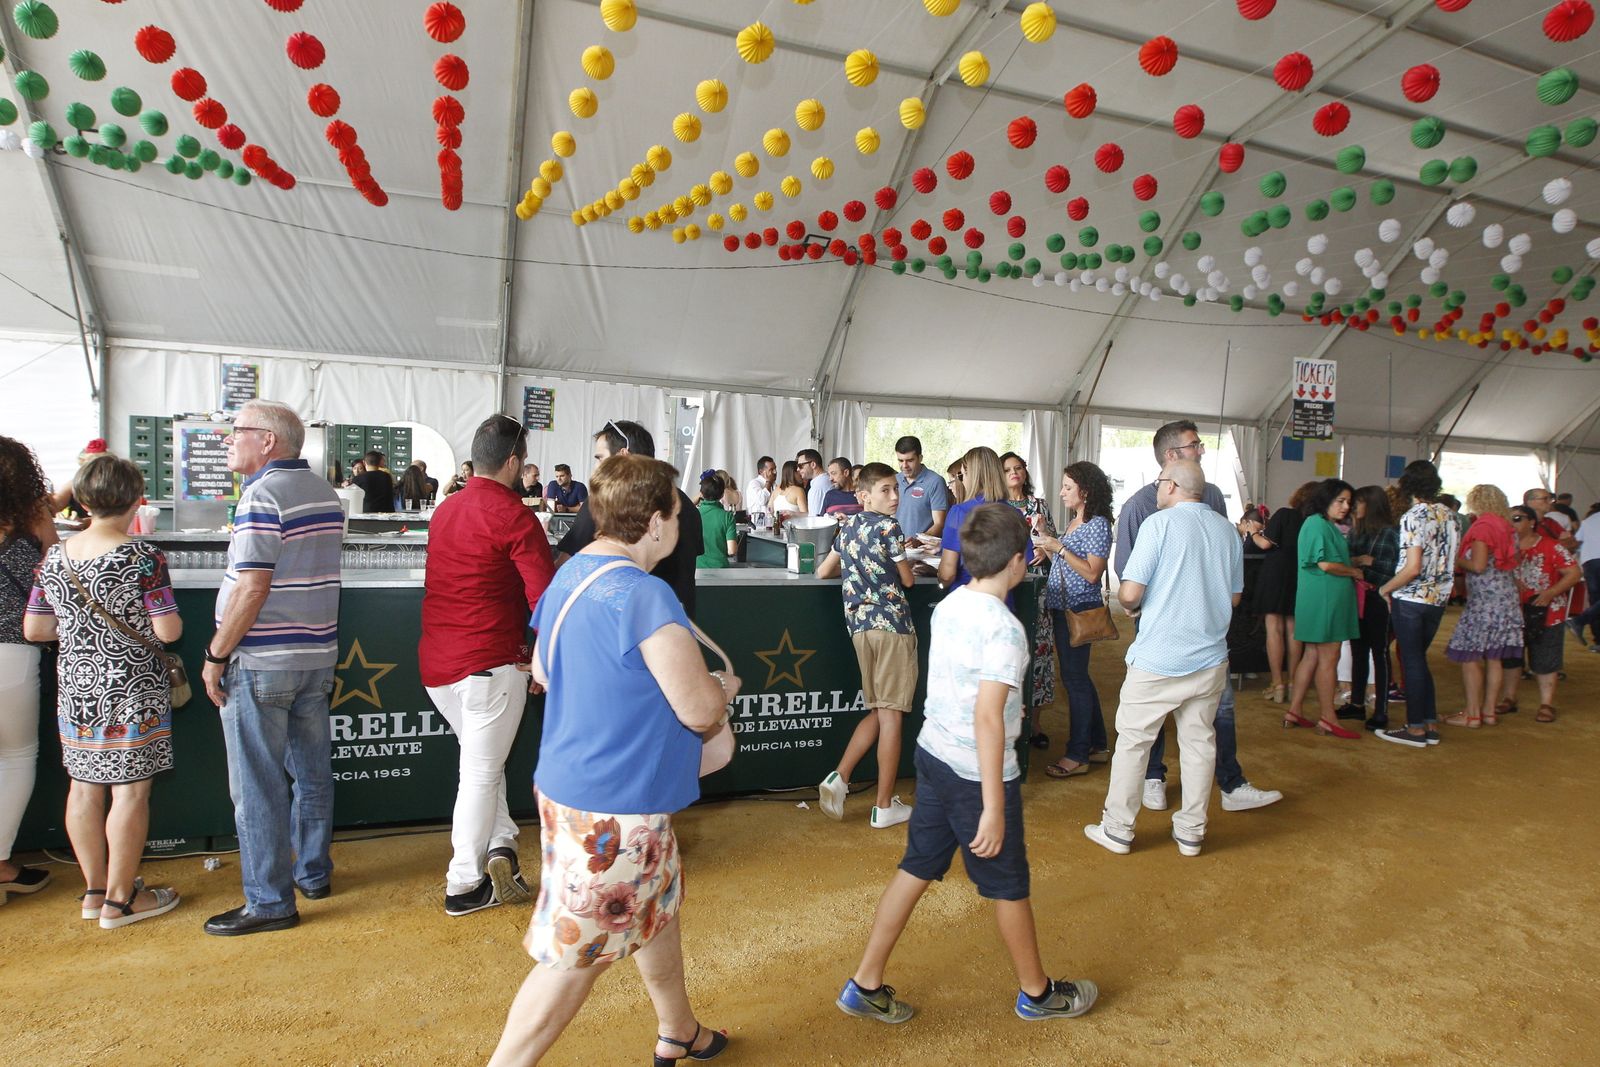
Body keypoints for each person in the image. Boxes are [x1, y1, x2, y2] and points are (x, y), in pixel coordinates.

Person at [488, 453, 740, 1067]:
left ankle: (678, 1029)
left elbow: (544, 669)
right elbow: (699, 712)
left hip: (571, 788)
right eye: (675, 514)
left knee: (656, 905)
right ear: (654, 522)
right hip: (617, 811)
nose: (677, 524)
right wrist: (720, 690)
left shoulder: (571, 573)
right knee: (571, 959)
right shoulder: (646, 595)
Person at [836, 504, 1098, 1026]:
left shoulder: (950, 604)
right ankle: (1037, 993)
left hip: (934, 756)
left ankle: (865, 983)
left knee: (916, 867)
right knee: (1009, 884)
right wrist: (994, 807)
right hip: (977, 777)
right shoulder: (1005, 629)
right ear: (1018, 561)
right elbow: (987, 718)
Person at [200, 400, 344, 935]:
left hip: (262, 660)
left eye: (236, 431)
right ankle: (313, 872)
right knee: (311, 774)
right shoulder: (323, 492)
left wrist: (216, 654)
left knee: (258, 786)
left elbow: (252, 586)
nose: (228, 440)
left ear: (267, 440)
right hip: (315, 656)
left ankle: (269, 902)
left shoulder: (261, 495)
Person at [24, 455, 181, 927]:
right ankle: (121, 899)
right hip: (133, 688)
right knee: (130, 792)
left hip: (77, 688)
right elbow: (168, 630)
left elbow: (35, 629)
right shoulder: (144, 558)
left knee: (83, 787)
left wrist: (82, 633)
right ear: (136, 500)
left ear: (83, 500)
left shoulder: (54, 558)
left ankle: (94, 891)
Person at [421, 415, 555, 917]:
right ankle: (463, 884)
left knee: (484, 764)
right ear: (514, 463)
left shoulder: (445, 510)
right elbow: (544, 600)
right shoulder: (516, 517)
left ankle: (501, 846)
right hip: (491, 662)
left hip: (439, 665)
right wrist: (544, 657)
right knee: (480, 773)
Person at [1113, 421, 1281, 813]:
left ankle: (1230, 783)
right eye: (1194, 445)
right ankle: (1155, 778)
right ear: (1171, 456)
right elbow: (1128, 574)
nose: (1202, 450)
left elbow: (1216, 561)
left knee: (1209, 717)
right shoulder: (1140, 506)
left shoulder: (1212, 498)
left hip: (1206, 634)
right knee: (1166, 721)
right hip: (1162, 629)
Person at [1086, 460, 1243, 858]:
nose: (1156, 489)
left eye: (1159, 482)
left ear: (1171, 486)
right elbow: (1234, 596)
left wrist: (1135, 605)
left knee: (1134, 742)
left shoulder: (1158, 525)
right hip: (1210, 656)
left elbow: (1129, 593)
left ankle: (1118, 828)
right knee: (1199, 743)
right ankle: (1191, 832)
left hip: (1159, 656)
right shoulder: (1227, 530)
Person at [815, 463, 917, 828]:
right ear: (864, 495)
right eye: (886, 490)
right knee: (891, 715)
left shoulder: (848, 527)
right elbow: (907, 580)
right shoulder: (890, 528)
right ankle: (883, 806)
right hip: (892, 627)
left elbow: (823, 571)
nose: (894, 496)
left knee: (879, 709)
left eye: (896, 489)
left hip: (859, 628)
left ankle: (840, 776)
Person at [555, 420, 702, 617]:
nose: (597, 468)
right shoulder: (686, 506)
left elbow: (564, 566)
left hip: (623, 624)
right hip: (678, 620)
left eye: (600, 458)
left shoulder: (604, 502)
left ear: (622, 456)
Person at [0, 437, 59, 904]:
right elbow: (56, 575)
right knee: (16, 756)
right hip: (12, 654)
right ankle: (1, 864)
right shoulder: (30, 525)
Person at [1031, 462, 1113, 778]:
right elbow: (1064, 565)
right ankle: (1097, 745)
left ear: (1086, 491)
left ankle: (1078, 754)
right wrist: (1047, 540)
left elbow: (1092, 573)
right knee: (1079, 678)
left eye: (1068, 487)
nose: (1062, 492)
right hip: (1064, 608)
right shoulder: (1076, 522)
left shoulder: (1097, 525)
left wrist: (1059, 547)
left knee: (1075, 680)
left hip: (1078, 608)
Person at [1375, 460, 1459, 750]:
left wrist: (1385, 588)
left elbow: (1412, 567)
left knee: (1411, 661)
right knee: (1418, 660)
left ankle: (1415, 728)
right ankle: (1429, 723)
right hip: (1439, 598)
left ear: (1406, 484)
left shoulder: (1413, 515)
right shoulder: (1449, 515)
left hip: (1411, 597)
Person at [1281, 480, 1362, 738]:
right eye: (1340, 501)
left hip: (1320, 598)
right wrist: (1354, 571)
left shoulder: (1321, 524)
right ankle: (1328, 717)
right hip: (1325, 599)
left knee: (1313, 655)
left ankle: (1294, 710)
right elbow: (1326, 564)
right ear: (1325, 499)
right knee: (1329, 658)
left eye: (1348, 502)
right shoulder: (1318, 524)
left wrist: (1353, 562)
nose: (1345, 506)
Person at [1441, 485, 1521, 728]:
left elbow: (1477, 565)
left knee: (1470, 656)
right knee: (1494, 658)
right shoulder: (1507, 527)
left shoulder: (1483, 527)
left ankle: (1472, 714)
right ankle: (1488, 712)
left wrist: (1455, 559)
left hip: (1484, 601)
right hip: (1506, 598)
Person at [1497, 505, 1581, 724]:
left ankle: (1546, 703)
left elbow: (1574, 573)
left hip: (1547, 610)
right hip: (1512, 610)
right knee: (1511, 657)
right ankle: (1509, 697)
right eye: (1508, 519)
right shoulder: (1505, 546)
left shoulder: (1551, 546)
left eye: (1517, 518)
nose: (1512, 523)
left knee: (1546, 657)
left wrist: (1550, 592)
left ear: (1532, 522)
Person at [999, 452, 1058, 750]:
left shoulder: (1039, 505)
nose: (1014, 473)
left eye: (1018, 468)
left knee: (1039, 652)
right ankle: (1006, 722)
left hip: (1038, 587)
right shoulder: (996, 506)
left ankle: (1035, 724)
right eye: (1008, 469)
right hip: (1008, 586)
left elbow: (1055, 543)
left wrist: (1044, 548)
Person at [1247, 482, 1317, 703]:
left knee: (1274, 629)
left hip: (1276, 575)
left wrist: (1252, 532)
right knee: (1293, 630)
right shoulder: (1313, 522)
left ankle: (1277, 684)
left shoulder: (1285, 514)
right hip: (1299, 576)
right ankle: (1294, 682)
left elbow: (1265, 544)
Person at [1344, 486, 1399, 732]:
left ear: (1372, 504)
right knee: (1358, 650)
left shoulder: (1390, 532)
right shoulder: (1357, 531)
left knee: (1379, 652)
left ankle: (1380, 710)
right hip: (1358, 596)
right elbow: (1348, 560)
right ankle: (1357, 703)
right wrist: (1360, 562)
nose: (1353, 507)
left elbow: (1395, 569)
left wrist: (1367, 563)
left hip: (1379, 599)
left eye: (1358, 502)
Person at [938, 446, 1021, 590]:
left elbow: (947, 574)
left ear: (970, 475)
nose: (962, 481)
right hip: (1003, 597)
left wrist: (940, 581)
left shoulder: (960, 512)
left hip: (966, 596)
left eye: (962, 476)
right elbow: (1020, 568)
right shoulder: (1015, 513)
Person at [893, 436, 950, 542]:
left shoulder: (935, 481)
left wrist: (917, 541)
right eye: (900, 460)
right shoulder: (894, 480)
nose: (904, 465)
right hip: (896, 547)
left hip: (922, 549)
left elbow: (939, 523)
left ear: (920, 458)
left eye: (910, 460)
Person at [46, 437, 109, 524]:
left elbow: (114, 518)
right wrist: (47, 500)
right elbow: (56, 505)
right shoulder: (73, 484)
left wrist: (83, 522)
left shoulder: (113, 487)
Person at [1565, 503, 1600, 649]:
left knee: (1595, 600)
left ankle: (1598, 641)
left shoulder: (1588, 521)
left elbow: (1576, 542)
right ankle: (1579, 621)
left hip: (1589, 562)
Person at [694, 471, 738, 569]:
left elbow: (683, 509)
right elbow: (732, 550)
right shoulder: (727, 517)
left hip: (697, 569)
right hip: (720, 569)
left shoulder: (693, 514)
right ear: (722, 494)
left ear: (701, 494)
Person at [350, 449, 395, 514]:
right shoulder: (387, 477)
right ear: (379, 463)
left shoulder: (358, 478)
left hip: (367, 514)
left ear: (364, 462)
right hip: (386, 514)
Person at [773, 460, 807, 528]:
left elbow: (769, 509)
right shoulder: (799, 491)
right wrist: (792, 513)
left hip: (778, 528)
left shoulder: (777, 489)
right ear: (793, 473)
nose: (801, 473)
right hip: (794, 529)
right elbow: (806, 515)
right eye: (798, 470)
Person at [798, 448, 828, 517]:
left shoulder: (817, 488)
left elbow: (814, 518)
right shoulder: (826, 479)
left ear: (813, 465)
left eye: (800, 466)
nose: (798, 469)